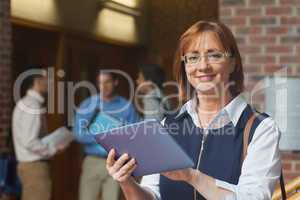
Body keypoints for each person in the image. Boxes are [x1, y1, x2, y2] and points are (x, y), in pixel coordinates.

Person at [105, 21, 282, 200]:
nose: (203, 66)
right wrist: (126, 181)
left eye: (214, 55)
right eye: (193, 57)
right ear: (185, 66)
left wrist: (192, 176)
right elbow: (152, 196)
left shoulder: (261, 129)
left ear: (233, 63)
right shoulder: (168, 125)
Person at [73, 70, 140, 200]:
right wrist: (104, 137)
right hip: (92, 161)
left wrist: (119, 137)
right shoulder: (88, 104)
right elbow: (78, 134)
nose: (103, 86)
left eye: (107, 82)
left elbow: (134, 135)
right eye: (100, 82)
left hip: (117, 162)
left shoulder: (126, 107)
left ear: (115, 82)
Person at [12, 68, 63, 200]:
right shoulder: (32, 106)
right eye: (47, 79)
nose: (50, 82)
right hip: (34, 167)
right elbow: (29, 141)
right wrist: (53, 149)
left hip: (29, 165)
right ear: (37, 81)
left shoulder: (25, 103)